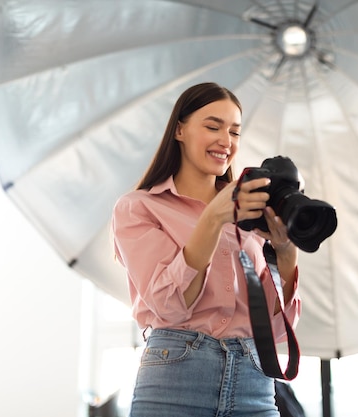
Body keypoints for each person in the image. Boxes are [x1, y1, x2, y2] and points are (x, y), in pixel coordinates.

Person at [111, 82, 302, 417]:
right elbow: (171, 306)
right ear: (180, 129)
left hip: (254, 384)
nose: (225, 141)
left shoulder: (250, 212)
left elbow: (275, 331)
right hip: (175, 379)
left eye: (234, 132)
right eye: (213, 126)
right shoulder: (138, 208)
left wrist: (286, 256)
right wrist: (213, 218)